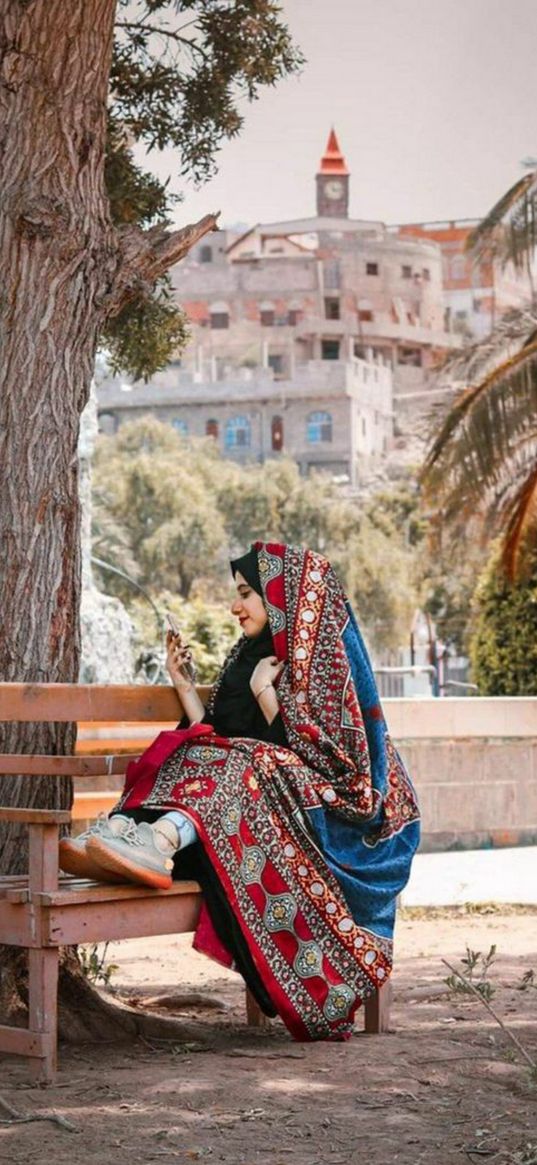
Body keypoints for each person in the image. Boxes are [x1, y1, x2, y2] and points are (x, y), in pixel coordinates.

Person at [59, 542, 420, 1040]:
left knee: (239, 762)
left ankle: (157, 841)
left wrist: (266, 693)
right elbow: (219, 735)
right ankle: (128, 835)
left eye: (247, 593)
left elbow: (336, 767)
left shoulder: (318, 662)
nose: (236, 606)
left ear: (282, 596)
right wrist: (184, 685)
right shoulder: (250, 655)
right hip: (251, 805)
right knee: (195, 749)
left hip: (327, 819)